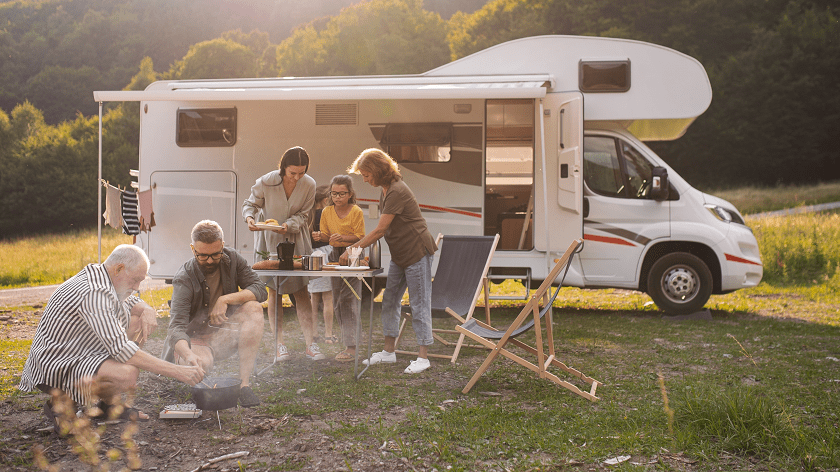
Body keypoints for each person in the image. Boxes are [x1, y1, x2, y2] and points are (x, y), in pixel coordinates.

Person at [19, 244, 205, 427]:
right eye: (134, 280)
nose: (136, 286)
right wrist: (178, 371)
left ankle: (109, 405)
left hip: (76, 352)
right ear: (119, 269)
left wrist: (146, 308)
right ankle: (61, 404)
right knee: (127, 374)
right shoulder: (94, 292)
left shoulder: (104, 276)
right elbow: (123, 350)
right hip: (56, 368)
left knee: (136, 319)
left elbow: (129, 300)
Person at [342, 148, 437, 374]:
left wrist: (352, 249)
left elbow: (380, 230)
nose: (364, 179)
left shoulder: (397, 191)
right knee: (390, 300)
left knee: (418, 304)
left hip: (416, 252)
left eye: (366, 174)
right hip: (400, 255)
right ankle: (388, 352)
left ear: (377, 170)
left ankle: (423, 357)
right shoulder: (386, 190)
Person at [161, 220, 267, 407]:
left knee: (254, 308)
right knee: (202, 364)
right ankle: (191, 366)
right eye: (203, 256)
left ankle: (244, 385)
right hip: (196, 340)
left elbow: (260, 289)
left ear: (223, 247)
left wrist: (225, 300)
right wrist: (188, 354)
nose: (209, 260)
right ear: (193, 250)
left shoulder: (232, 258)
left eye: (215, 254)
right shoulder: (184, 278)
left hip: (224, 334)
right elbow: (176, 328)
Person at [242, 146, 324, 361]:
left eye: (301, 172)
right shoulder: (266, 181)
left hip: (296, 239)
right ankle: (280, 345)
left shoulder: (309, 184)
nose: (297, 177)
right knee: (273, 292)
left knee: (301, 292)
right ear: (283, 168)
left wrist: (288, 226)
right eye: (292, 173)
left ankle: (310, 344)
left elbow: (305, 214)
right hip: (268, 241)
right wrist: (250, 219)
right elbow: (250, 204)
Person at [312, 175, 366, 362]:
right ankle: (350, 342)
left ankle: (352, 346)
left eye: (342, 194)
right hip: (335, 254)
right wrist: (321, 237)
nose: (337, 197)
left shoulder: (356, 211)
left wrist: (341, 238)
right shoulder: (327, 211)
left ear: (350, 194)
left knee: (348, 298)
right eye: (334, 194)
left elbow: (360, 237)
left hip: (353, 254)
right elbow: (329, 237)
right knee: (336, 300)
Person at [307, 185, 336, 345]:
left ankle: (313, 333)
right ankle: (328, 334)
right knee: (328, 297)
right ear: (325, 200)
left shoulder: (308, 216)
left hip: (311, 256)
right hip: (325, 254)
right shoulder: (327, 215)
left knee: (313, 298)